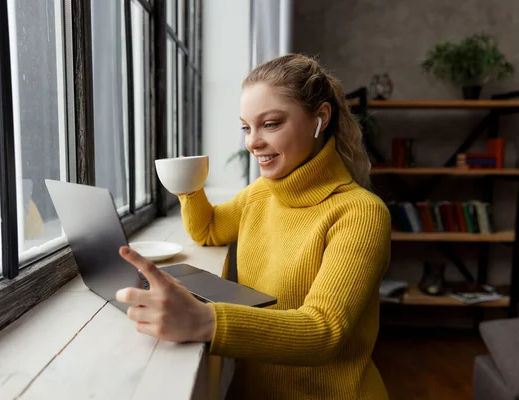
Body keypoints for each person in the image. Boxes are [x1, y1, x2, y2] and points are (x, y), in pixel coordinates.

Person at [116, 53, 391, 400]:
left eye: (271, 124)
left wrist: (204, 320)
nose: (252, 142)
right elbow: (210, 230)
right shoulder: (261, 193)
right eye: (246, 127)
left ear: (320, 118)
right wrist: (188, 183)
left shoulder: (360, 214)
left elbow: (324, 331)